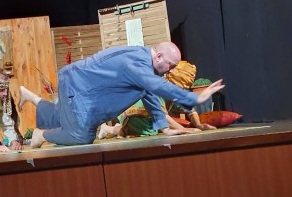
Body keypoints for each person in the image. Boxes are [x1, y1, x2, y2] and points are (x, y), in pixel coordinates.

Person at [18, 42, 225, 148]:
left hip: (76, 86)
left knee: (60, 119)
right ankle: (40, 135)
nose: (170, 71)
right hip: (77, 87)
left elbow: (148, 92)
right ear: (159, 56)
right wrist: (194, 98)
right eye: (170, 66)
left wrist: (163, 127)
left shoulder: (144, 63)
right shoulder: (136, 63)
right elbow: (155, 86)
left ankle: (31, 97)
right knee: (82, 135)